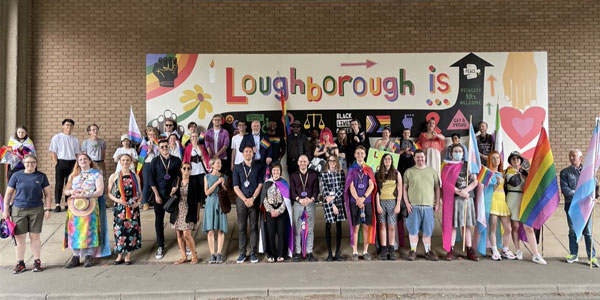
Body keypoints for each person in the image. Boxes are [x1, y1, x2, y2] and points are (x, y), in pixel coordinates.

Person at [3, 154, 51, 273]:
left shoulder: (41, 176)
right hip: (18, 209)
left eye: (32, 162)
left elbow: (48, 194)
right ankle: (20, 263)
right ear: (24, 163)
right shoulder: (16, 176)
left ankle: (37, 261)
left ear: (36, 163)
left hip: (36, 209)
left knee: (35, 236)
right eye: (27, 162)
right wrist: (5, 210)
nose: (30, 164)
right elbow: (8, 194)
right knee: (20, 238)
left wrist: (48, 209)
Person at [63, 154, 108, 268]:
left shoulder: (96, 174)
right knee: (75, 231)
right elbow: (66, 191)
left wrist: (86, 194)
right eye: (80, 160)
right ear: (77, 162)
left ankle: (88, 255)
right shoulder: (74, 175)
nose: (83, 161)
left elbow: (100, 191)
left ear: (89, 161)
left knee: (89, 230)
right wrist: (72, 192)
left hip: (90, 205)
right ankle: (75, 256)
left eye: (85, 159)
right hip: (75, 207)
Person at [441, 145, 479, 261]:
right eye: (455, 151)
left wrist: (466, 191)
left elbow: (475, 181)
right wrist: (459, 192)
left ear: (464, 153)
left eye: (460, 151)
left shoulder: (468, 166)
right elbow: (445, 183)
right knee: (453, 225)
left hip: (467, 199)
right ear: (451, 153)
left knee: (465, 226)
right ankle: (450, 250)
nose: (458, 153)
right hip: (454, 200)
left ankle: (469, 249)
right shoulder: (447, 167)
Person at [560, 149, 596, 266]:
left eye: (573, 156)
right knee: (573, 231)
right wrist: (578, 195)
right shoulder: (565, 172)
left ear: (580, 158)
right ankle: (574, 254)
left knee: (588, 232)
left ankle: (592, 257)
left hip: (586, 206)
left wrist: (595, 197)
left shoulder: (588, 172)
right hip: (572, 205)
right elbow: (565, 190)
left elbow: (595, 186)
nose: (571, 158)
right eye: (570, 156)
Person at [403, 149, 440, 261]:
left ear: (425, 158)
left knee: (427, 231)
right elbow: (404, 189)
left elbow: (437, 188)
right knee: (413, 230)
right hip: (413, 207)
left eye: (422, 157)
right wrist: (407, 203)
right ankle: (413, 251)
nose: (420, 159)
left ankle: (428, 251)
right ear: (414, 158)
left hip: (428, 206)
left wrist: (437, 202)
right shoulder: (408, 172)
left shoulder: (432, 171)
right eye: (418, 157)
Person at [149, 139, 182, 260]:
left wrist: (176, 187)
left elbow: (179, 176)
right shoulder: (155, 161)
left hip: (173, 195)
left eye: (166, 146)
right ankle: (160, 246)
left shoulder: (176, 160)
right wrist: (156, 195)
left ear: (170, 147)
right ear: (158, 148)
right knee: (159, 221)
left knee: (178, 220)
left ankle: (182, 244)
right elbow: (151, 180)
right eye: (162, 147)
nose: (164, 149)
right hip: (159, 195)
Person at [107, 154, 142, 265]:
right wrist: (118, 201)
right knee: (119, 230)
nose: (125, 162)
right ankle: (119, 255)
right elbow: (109, 193)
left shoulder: (135, 176)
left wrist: (138, 203)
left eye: (127, 160)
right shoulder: (114, 176)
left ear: (131, 161)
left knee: (131, 231)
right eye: (123, 160)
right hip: (120, 208)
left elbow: (140, 193)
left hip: (132, 208)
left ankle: (128, 256)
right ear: (120, 162)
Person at [344, 146, 377, 261]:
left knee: (366, 227)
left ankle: (365, 251)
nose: (360, 155)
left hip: (366, 201)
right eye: (358, 153)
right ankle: (355, 252)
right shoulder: (351, 169)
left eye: (362, 153)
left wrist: (363, 198)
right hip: (355, 202)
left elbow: (372, 185)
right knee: (356, 226)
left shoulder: (369, 169)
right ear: (354, 155)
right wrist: (358, 199)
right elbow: (350, 186)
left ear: (365, 155)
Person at [232, 146, 264, 264]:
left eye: (250, 151)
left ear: (253, 153)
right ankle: (242, 253)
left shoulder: (258, 167)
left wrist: (253, 198)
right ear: (243, 154)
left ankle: (253, 253)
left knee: (254, 227)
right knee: (241, 227)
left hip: (254, 200)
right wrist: (245, 199)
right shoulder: (237, 168)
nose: (248, 153)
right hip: (242, 200)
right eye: (246, 152)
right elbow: (236, 187)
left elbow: (260, 184)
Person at [487, 151, 517, 261]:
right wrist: (497, 184)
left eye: (498, 158)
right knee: (493, 227)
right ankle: (494, 249)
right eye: (493, 158)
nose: (496, 160)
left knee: (508, 228)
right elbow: (486, 190)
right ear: (490, 160)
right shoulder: (488, 173)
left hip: (502, 201)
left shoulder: (503, 173)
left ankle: (505, 249)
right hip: (493, 200)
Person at [290, 155, 320, 262]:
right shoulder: (293, 175)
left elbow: (316, 190)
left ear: (308, 162)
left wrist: (311, 199)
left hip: (310, 204)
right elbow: (292, 191)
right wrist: (299, 199)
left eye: (304, 161)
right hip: (298, 203)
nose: (302, 163)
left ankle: (309, 252)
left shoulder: (313, 175)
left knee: (310, 229)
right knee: (298, 229)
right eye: (301, 161)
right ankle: (297, 252)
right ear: (298, 163)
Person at [169, 162, 200, 265]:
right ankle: (183, 256)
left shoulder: (194, 181)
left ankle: (194, 255)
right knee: (179, 234)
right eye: (184, 168)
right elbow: (171, 196)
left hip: (189, 210)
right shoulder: (176, 181)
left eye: (189, 168)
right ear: (181, 169)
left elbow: (198, 199)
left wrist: (197, 212)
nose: (186, 170)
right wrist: (173, 192)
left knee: (187, 234)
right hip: (178, 210)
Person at [261, 163, 291, 262]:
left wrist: (279, 211)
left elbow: (286, 199)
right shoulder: (267, 183)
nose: (276, 172)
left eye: (278, 170)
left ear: (280, 171)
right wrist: (271, 210)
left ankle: (281, 253)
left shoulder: (284, 183)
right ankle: (271, 254)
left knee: (281, 232)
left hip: (281, 211)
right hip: (270, 210)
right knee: (270, 232)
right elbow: (264, 199)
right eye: (274, 170)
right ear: (271, 171)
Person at [49, 118, 81, 212]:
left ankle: (68, 203)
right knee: (59, 184)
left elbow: (77, 153)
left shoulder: (75, 139)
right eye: (67, 125)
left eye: (71, 125)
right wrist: (56, 163)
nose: (69, 127)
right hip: (61, 162)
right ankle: (57, 204)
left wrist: (77, 164)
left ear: (73, 127)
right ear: (63, 126)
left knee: (70, 183)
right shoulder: (57, 137)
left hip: (72, 162)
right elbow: (53, 151)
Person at [375, 153, 402, 261]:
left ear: (392, 161)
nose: (387, 160)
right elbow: (376, 191)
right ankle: (383, 249)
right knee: (382, 226)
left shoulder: (396, 173)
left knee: (391, 226)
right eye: (385, 159)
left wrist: (398, 204)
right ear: (382, 161)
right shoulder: (378, 174)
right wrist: (377, 204)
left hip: (392, 202)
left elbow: (400, 190)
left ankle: (391, 249)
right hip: (381, 202)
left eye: (389, 159)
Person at [319, 154, 346, 261]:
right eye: (330, 161)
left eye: (334, 161)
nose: (332, 163)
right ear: (328, 162)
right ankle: (330, 253)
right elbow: (324, 189)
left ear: (337, 162)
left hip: (338, 200)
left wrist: (334, 197)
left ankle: (337, 252)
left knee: (339, 225)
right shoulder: (324, 174)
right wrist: (332, 203)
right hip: (328, 202)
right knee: (328, 226)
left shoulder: (340, 173)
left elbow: (343, 187)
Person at [204, 158, 228, 264]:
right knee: (210, 230)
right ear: (212, 165)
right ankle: (212, 253)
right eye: (218, 163)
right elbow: (207, 192)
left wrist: (223, 185)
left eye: (220, 163)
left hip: (220, 202)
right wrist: (217, 182)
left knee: (220, 229)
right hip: (210, 202)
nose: (220, 165)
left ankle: (219, 253)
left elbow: (226, 191)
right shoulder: (207, 177)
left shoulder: (224, 177)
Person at [505, 151, 528, 261]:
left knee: (524, 226)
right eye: (513, 159)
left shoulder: (523, 172)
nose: (516, 161)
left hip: (522, 199)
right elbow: (514, 183)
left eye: (518, 159)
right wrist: (520, 174)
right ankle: (517, 249)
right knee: (515, 226)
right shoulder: (508, 172)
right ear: (510, 161)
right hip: (512, 198)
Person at [182, 131, 210, 208]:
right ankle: (194, 201)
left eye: (196, 136)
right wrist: (184, 169)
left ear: (198, 138)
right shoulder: (188, 148)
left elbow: (206, 157)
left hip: (200, 168)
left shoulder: (201, 147)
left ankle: (202, 201)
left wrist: (205, 161)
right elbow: (185, 158)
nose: (194, 138)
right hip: (192, 169)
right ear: (190, 138)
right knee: (193, 185)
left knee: (202, 185)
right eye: (193, 136)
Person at [139, 126, 159, 211]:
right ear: (148, 135)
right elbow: (141, 158)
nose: (152, 136)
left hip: (157, 164)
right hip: (147, 164)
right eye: (150, 134)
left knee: (157, 183)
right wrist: (148, 151)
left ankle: (157, 201)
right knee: (147, 183)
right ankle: (145, 202)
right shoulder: (145, 144)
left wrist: (154, 150)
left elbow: (160, 154)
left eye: (154, 134)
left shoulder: (158, 144)